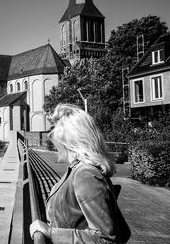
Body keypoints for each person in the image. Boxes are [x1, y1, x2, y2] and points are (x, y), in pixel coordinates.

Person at [30, 103, 129, 243]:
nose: (56, 144)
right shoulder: (79, 170)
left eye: (57, 138)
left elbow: (105, 239)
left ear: (68, 141)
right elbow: (123, 232)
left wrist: (51, 233)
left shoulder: (85, 174)